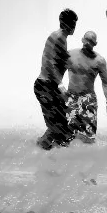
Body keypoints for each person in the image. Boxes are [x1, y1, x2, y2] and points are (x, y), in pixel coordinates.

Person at [34, 8, 78, 150]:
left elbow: (61, 61)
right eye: (72, 23)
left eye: (75, 23)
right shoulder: (59, 37)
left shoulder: (60, 37)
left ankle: (45, 147)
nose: (74, 27)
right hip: (46, 86)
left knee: (64, 122)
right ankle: (41, 150)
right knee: (58, 125)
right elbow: (50, 63)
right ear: (64, 23)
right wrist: (60, 85)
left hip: (48, 86)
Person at [63, 30, 107, 143]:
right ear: (82, 39)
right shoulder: (70, 55)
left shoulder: (99, 61)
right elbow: (56, 71)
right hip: (71, 97)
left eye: (91, 41)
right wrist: (61, 88)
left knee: (89, 137)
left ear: (95, 43)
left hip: (88, 99)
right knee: (69, 134)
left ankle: (89, 158)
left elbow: (105, 82)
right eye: (86, 39)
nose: (88, 43)